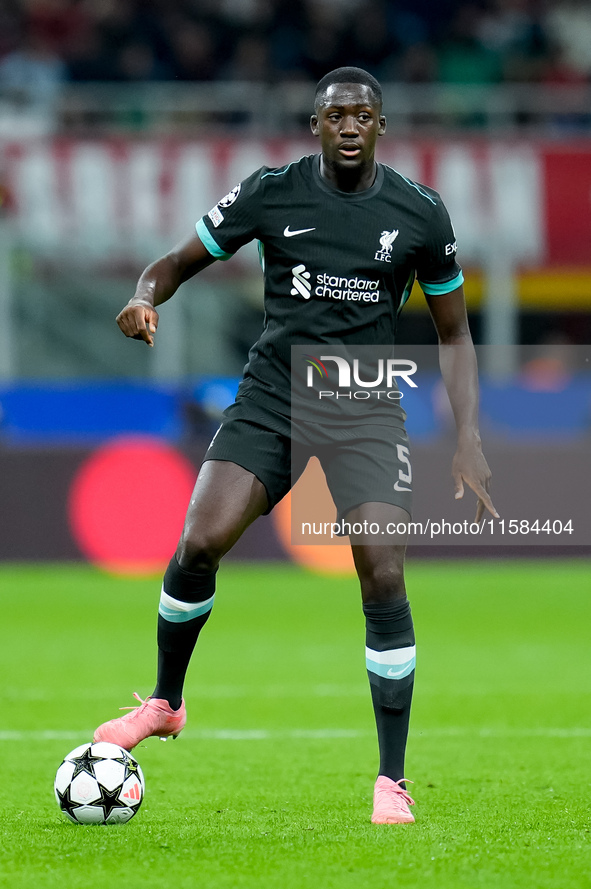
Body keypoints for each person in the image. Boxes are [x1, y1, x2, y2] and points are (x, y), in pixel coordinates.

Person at [94, 66, 498, 825]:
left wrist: (468, 439)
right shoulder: (270, 193)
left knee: (381, 572)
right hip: (274, 394)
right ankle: (164, 702)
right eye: (335, 115)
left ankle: (391, 779)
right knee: (198, 539)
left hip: (363, 402)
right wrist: (143, 297)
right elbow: (173, 263)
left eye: (362, 115)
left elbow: (455, 334)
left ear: (380, 126)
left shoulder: (419, 214)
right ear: (314, 126)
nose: (349, 126)